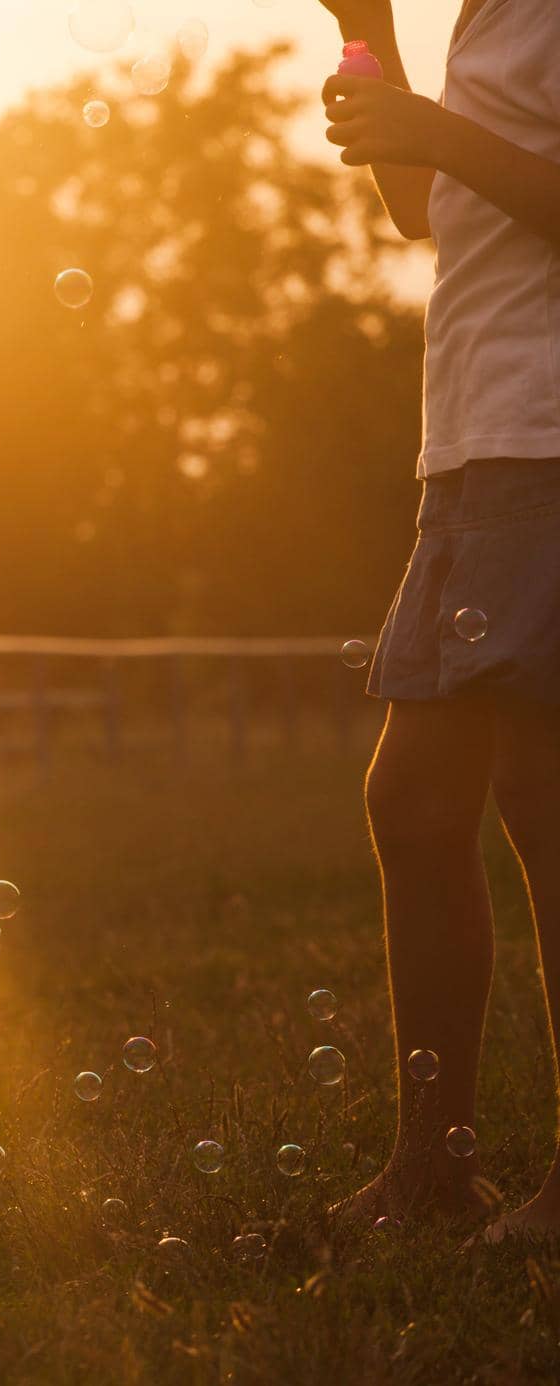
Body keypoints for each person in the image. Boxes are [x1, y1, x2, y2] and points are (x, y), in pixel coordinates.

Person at [314, 0, 560, 1244]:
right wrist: (364, 33)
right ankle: (430, 1168)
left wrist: (438, 134)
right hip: (470, 448)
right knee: (412, 805)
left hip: (548, 436)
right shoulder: (484, 15)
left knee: (543, 800)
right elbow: (419, 208)